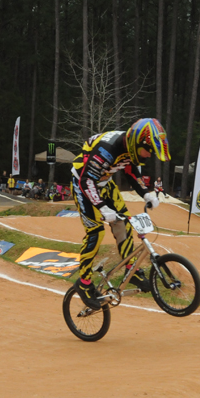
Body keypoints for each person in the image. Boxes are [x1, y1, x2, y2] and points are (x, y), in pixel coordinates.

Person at [70, 118, 170, 309]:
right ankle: (83, 283)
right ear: (137, 143)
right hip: (83, 185)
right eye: (148, 150)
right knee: (95, 233)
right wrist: (102, 207)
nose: (149, 155)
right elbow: (86, 181)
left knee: (124, 223)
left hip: (104, 183)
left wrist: (146, 194)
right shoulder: (107, 149)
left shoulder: (130, 147)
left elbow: (131, 172)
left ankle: (131, 270)